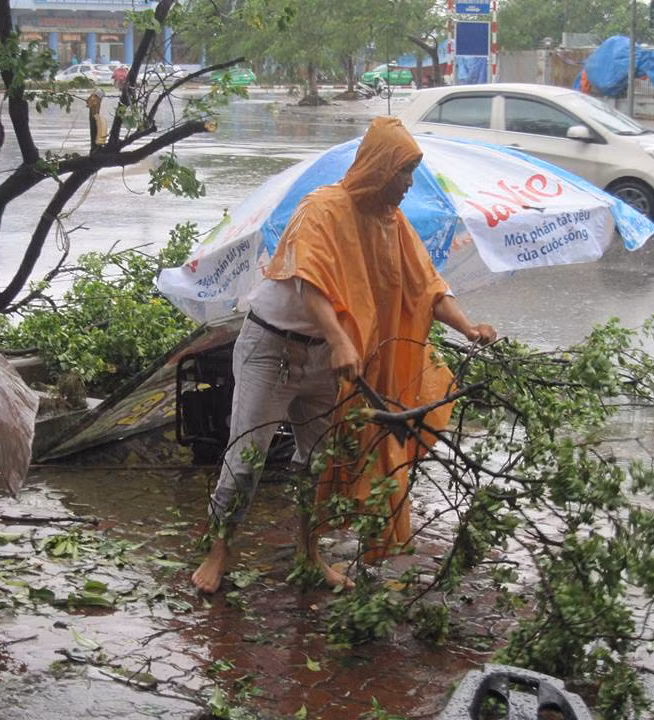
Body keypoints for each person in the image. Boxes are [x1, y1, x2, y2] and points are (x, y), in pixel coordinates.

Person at [191, 116, 497, 594]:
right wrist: (339, 339)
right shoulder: (322, 208)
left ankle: (309, 554)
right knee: (247, 457)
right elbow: (309, 278)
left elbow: (427, 288)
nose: (409, 183)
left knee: (322, 463)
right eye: (404, 171)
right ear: (380, 167)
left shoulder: (392, 225)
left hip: (329, 360)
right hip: (272, 349)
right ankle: (219, 552)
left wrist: (469, 326)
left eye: (412, 172)